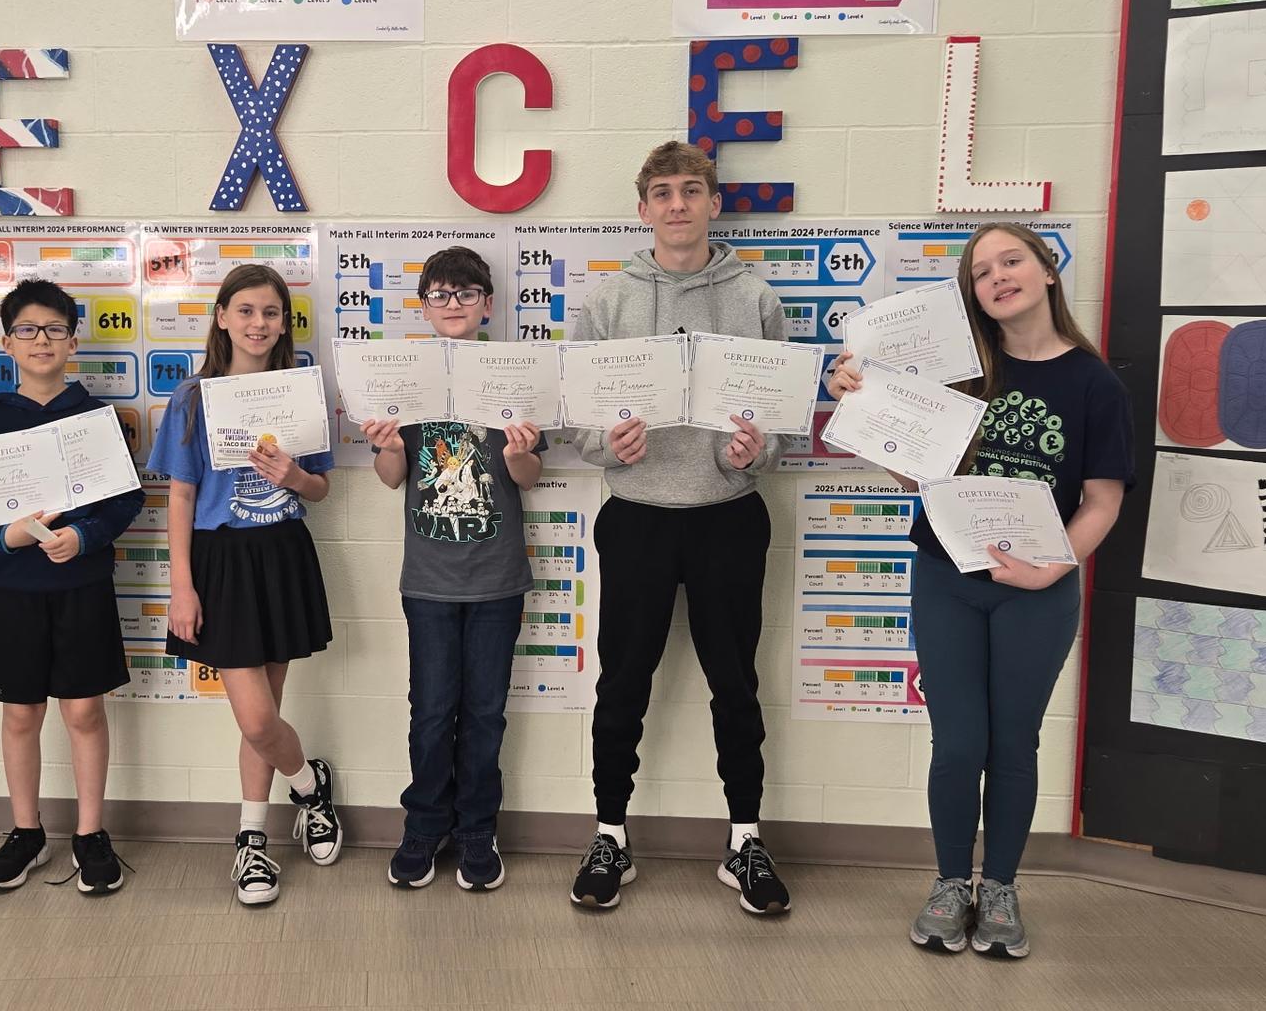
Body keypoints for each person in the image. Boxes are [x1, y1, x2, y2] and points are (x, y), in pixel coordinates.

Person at [827, 222, 1133, 959]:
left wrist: (1053, 568)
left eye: (1012, 260)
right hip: (947, 578)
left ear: (1048, 270)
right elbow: (915, 473)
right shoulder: (958, 373)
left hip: (1039, 589)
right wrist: (863, 405)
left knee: (1013, 743)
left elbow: (1102, 501)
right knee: (959, 742)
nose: (998, 276)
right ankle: (948, 884)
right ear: (972, 294)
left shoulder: (1095, 383)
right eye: (981, 271)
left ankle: (999, 888)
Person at [566, 141, 793, 916]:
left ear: (713, 204)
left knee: (736, 683)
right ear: (643, 209)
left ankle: (744, 840)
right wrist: (608, 445)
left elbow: (782, 420)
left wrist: (758, 451)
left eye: (691, 190)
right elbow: (578, 420)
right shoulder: (608, 303)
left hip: (729, 518)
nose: (677, 204)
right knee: (623, 681)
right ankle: (610, 834)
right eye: (662, 192)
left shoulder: (755, 298)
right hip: (637, 519)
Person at [145, 263, 343, 906]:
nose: (259, 323)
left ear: (284, 324)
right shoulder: (192, 398)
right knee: (257, 719)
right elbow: (179, 496)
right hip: (220, 561)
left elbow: (320, 488)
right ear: (223, 318)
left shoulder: (300, 392)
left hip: (281, 553)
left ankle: (252, 839)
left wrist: (293, 476)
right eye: (247, 310)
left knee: (267, 715)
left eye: (272, 313)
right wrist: (181, 587)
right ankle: (310, 786)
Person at [359, 247, 545, 892]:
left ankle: (476, 829)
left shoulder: (513, 374)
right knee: (432, 711)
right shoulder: (406, 381)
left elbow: (529, 476)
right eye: (439, 294)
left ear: (487, 304)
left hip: (498, 578)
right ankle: (424, 824)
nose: (453, 304)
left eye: (466, 293)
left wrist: (519, 452)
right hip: (429, 581)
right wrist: (386, 446)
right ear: (424, 307)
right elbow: (392, 477)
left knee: (486, 712)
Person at [0, 278, 146, 895]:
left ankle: (90, 834)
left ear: (73, 341)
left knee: (85, 711)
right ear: (7, 343)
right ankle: (26, 832)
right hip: (13, 590)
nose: (41, 340)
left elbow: (125, 501)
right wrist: (7, 536)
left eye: (54, 330)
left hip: (81, 585)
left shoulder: (96, 419)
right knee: (20, 714)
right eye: (27, 330)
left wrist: (84, 536)